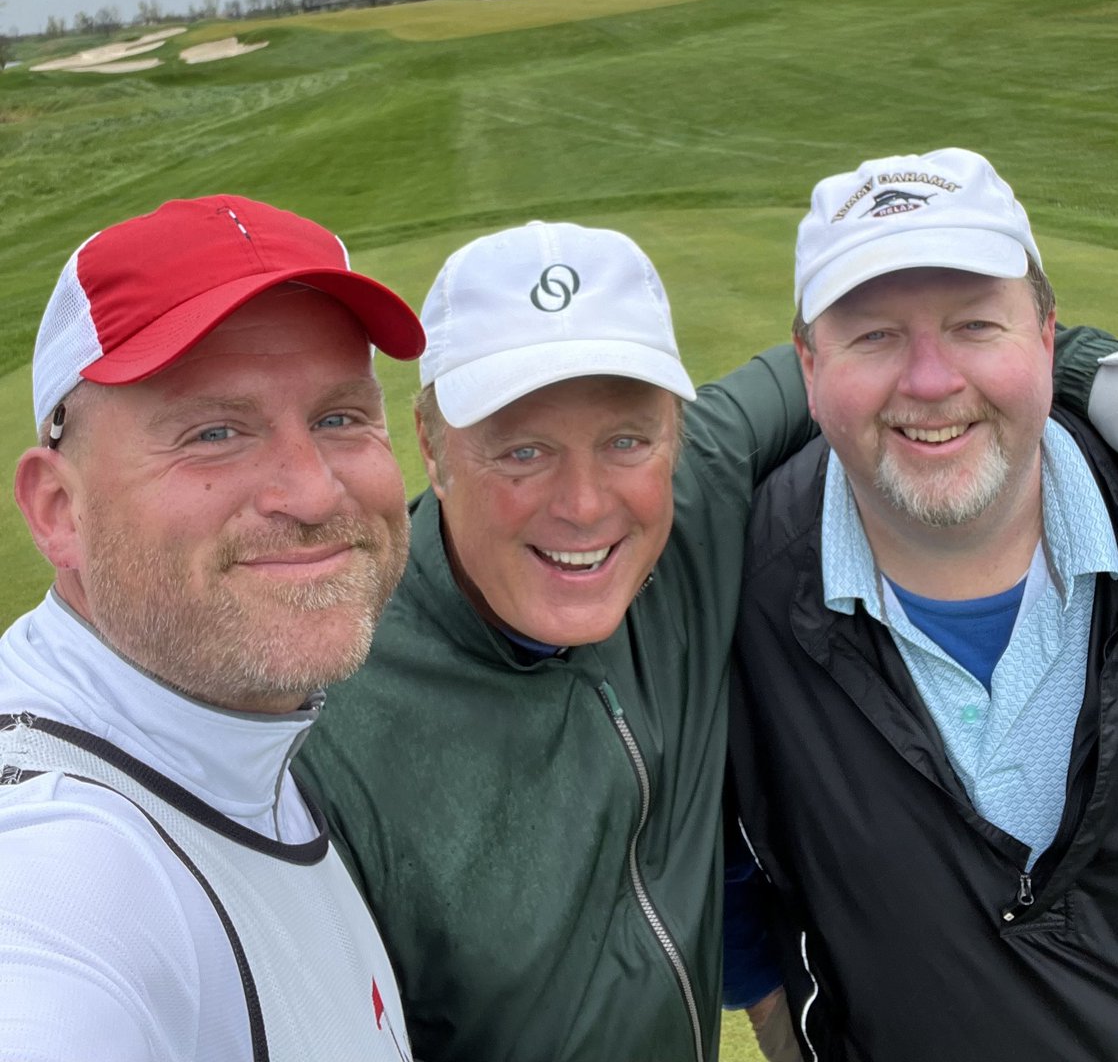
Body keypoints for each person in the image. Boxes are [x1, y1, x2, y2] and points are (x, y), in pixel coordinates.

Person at [296, 217, 1113, 1062]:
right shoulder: (332, 715)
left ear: (676, 435)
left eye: (626, 440)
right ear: (432, 448)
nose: (583, 504)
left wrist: (1090, 370)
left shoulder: (697, 493)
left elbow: (909, 366)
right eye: (522, 451)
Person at [0, 195, 426, 1062]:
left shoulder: (232, 727)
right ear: (59, 510)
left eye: (338, 417)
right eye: (215, 432)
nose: (311, 494)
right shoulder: (64, 862)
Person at [728, 147, 1118, 1061]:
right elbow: (724, 865)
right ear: (807, 365)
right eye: (874, 336)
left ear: (1048, 338)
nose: (933, 381)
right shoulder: (731, 590)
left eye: (977, 324)